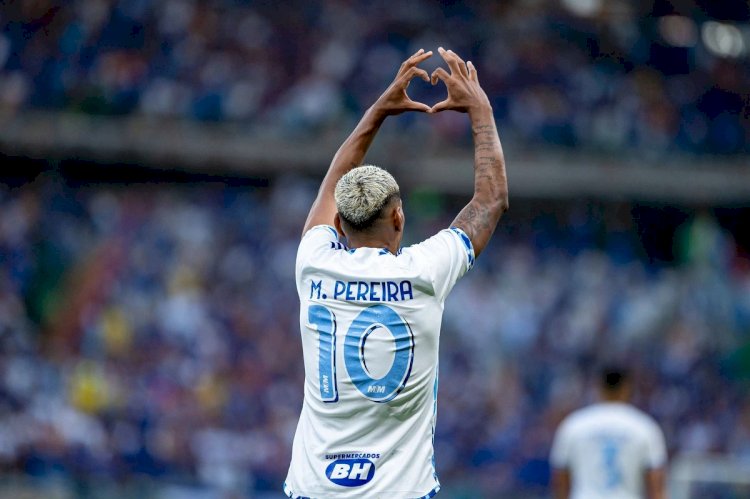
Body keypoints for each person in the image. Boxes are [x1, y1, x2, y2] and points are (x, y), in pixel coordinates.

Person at [283, 47, 508, 498]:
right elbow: (490, 201)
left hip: (314, 488)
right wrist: (480, 110)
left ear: (340, 225)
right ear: (400, 219)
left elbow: (332, 184)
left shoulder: (314, 261)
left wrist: (377, 111)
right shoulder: (426, 271)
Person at [550, 366, 668, 499]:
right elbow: (656, 484)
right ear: (627, 388)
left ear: (598, 387)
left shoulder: (574, 425)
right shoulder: (644, 427)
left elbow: (560, 480)